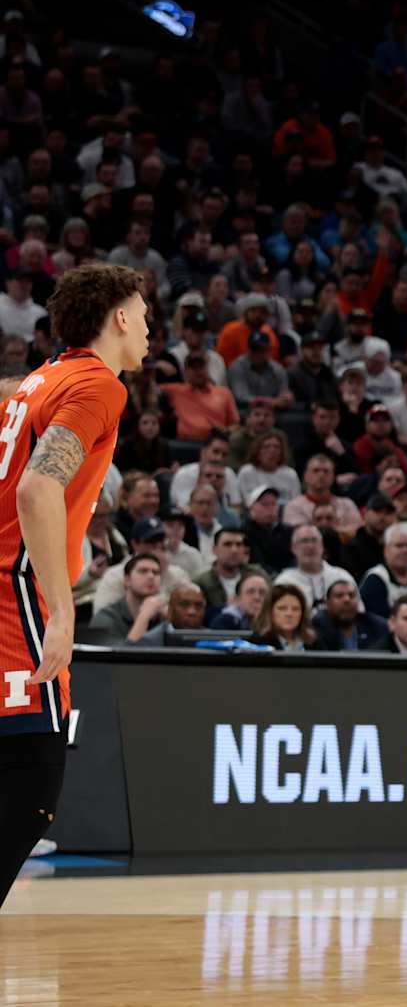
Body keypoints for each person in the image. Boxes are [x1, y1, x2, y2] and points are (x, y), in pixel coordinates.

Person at [0, 263, 145, 907]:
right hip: (17, 596)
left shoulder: (41, 379)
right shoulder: (99, 385)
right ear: (120, 317)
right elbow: (37, 488)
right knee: (30, 789)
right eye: (144, 316)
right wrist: (62, 613)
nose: (149, 331)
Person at [251, 584, 320, 652]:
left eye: (295, 609)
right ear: (269, 612)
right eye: (282, 608)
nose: (289, 614)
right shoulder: (258, 643)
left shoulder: (313, 642)